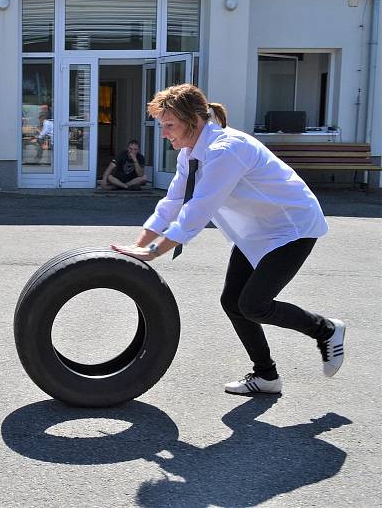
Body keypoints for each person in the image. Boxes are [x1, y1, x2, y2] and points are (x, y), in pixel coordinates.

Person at [110, 83, 345, 396]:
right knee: (233, 302)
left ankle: (326, 329)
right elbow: (172, 203)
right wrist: (140, 246)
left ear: (193, 122)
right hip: (256, 231)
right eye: (162, 125)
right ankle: (266, 377)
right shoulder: (190, 152)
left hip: (292, 228)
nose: (164, 133)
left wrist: (153, 252)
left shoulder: (226, 150)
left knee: (253, 304)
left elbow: (197, 211)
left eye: (169, 125)